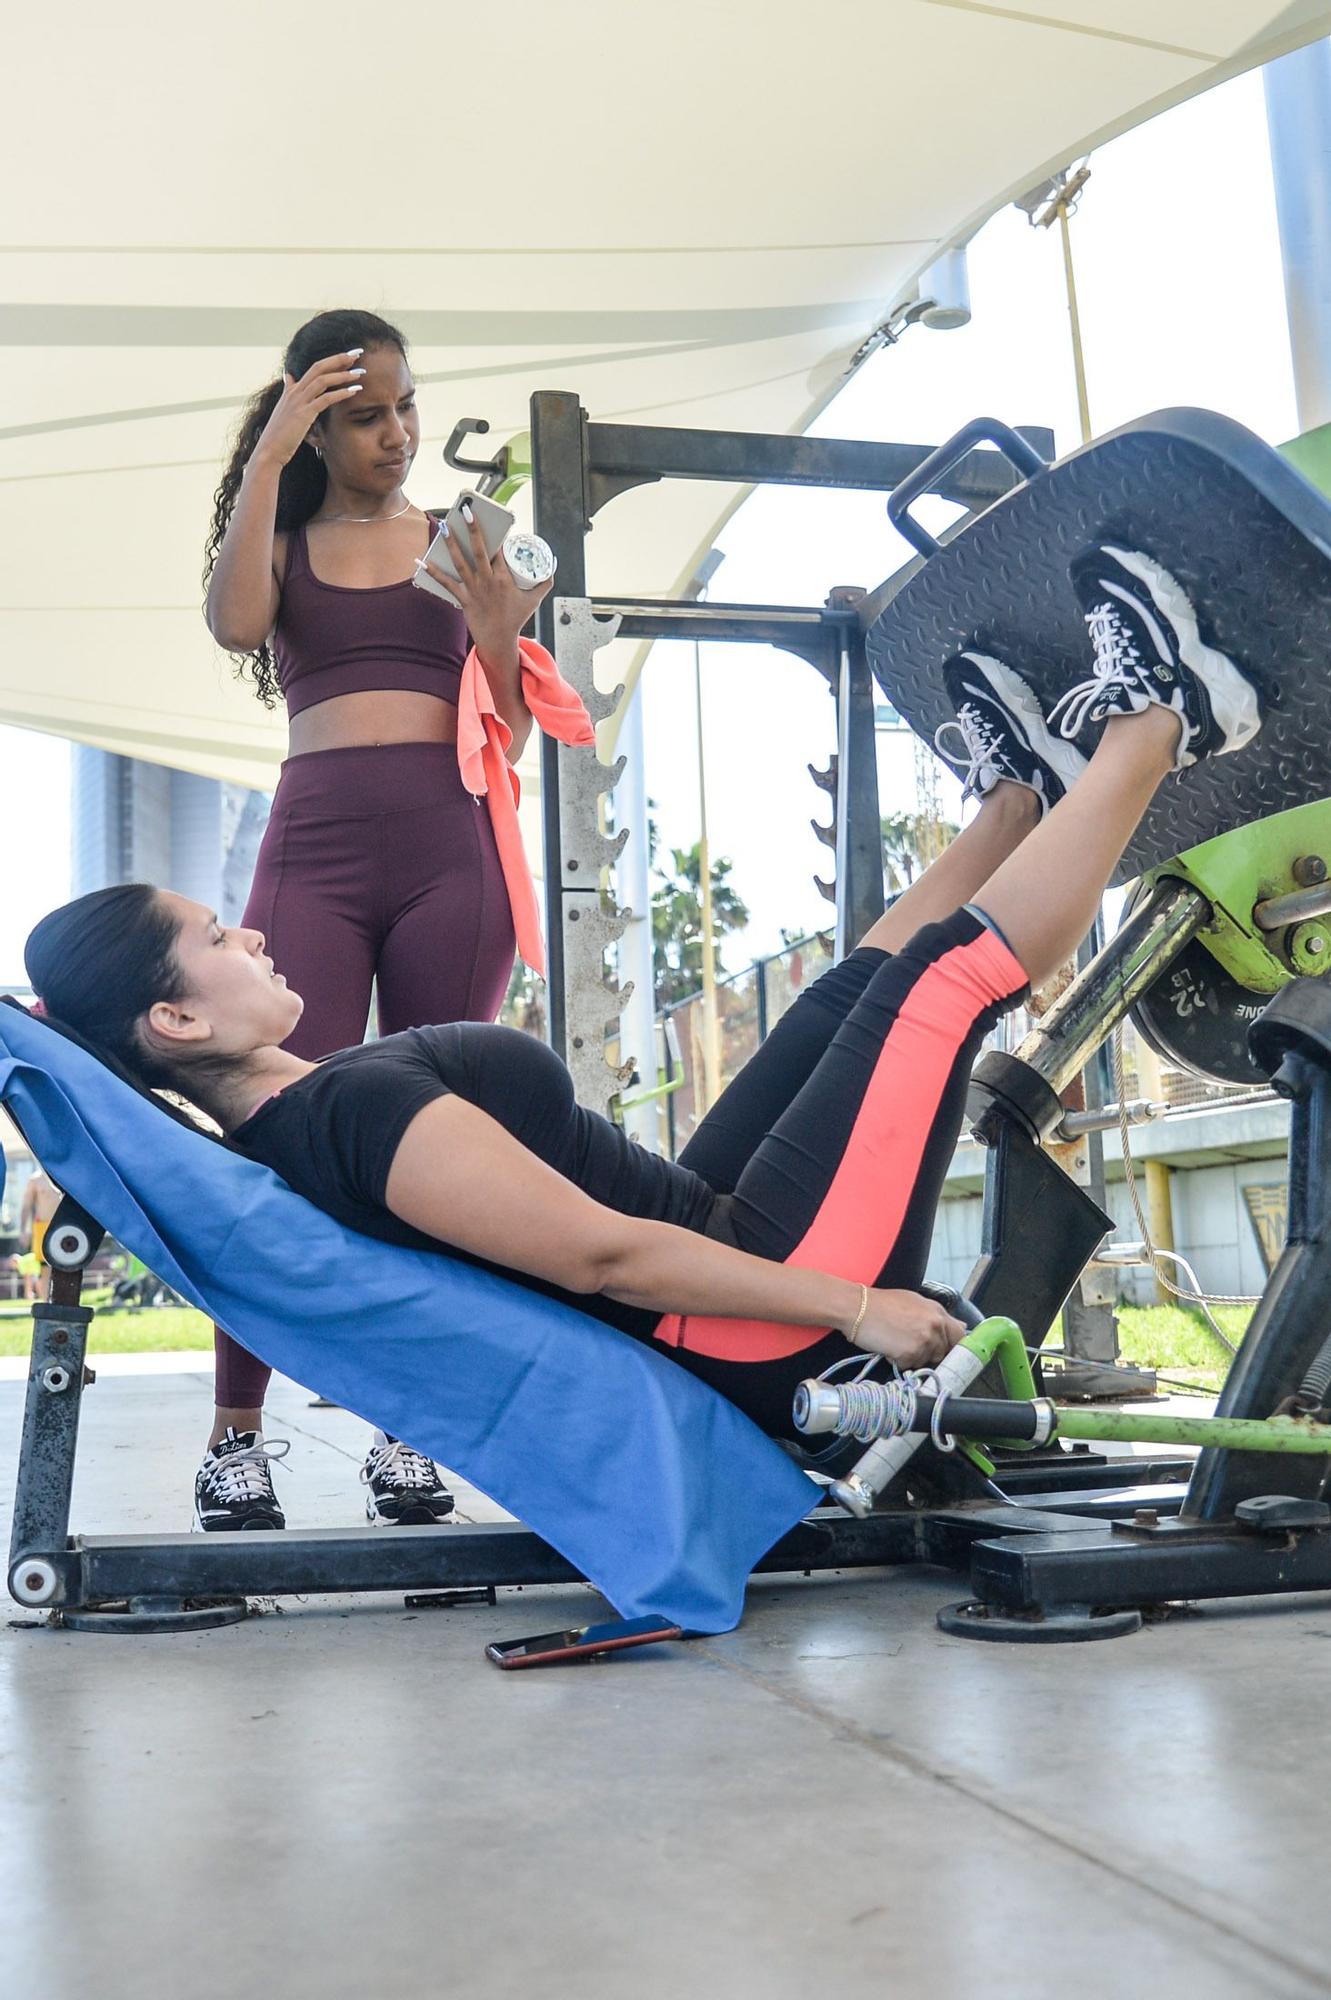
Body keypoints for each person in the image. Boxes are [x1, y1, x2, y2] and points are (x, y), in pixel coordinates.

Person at [23, 546, 1261, 1449]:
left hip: (717, 1230)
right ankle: (1161, 717)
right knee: (937, 989)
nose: (247, 929)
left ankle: (1017, 801)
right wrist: (857, 1306)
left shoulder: (323, 1101)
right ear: (176, 1022)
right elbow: (598, 1253)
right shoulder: (342, 1123)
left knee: (841, 997)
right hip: (758, 1313)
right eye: (209, 935)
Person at [198, 307, 556, 1530]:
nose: (395, 432)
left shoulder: (456, 539)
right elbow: (235, 624)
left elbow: (508, 710)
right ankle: (233, 1438)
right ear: (309, 419)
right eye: (361, 415)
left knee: (436, 1144)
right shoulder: (283, 539)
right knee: (270, 1126)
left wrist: (499, 623)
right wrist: (265, 459)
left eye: (404, 404)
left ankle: (409, 1432)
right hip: (318, 847)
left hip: (450, 854)